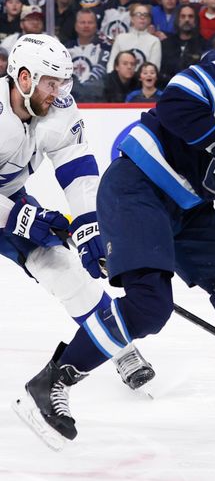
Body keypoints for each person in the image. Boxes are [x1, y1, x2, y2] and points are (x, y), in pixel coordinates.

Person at [14, 11, 215, 449]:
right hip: (138, 187)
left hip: (188, 208)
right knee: (150, 307)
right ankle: (52, 382)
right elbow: (178, 100)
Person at [6, 36, 156, 445]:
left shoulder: (56, 107)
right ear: (23, 77)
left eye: (63, 83)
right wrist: (23, 216)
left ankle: (116, 345)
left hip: (8, 197)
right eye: (50, 84)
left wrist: (89, 225)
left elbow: (77, 166)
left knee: (64, 269)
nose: (59, 94)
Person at [107, 3, 162, 73]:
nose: (142, 17)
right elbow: (112, 64)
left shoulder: (154, 41)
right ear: (132, 18)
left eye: (146, 15)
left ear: (149, 20)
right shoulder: (120, 38)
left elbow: (154, 68)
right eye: (138, 14)